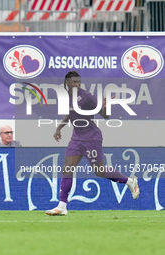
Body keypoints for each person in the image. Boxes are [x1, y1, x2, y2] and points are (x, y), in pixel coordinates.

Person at [45, 71, 140, 216]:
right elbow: (70, 113)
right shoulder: (69, 97)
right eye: (74, 82)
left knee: (99, 171)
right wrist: (59, 127)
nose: (77, 84)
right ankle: (62, 206)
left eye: (79, 81)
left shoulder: (87, 96)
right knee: (67, 168)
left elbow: (105, 115)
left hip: (91, 138)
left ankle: (129, 182)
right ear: (67, 84)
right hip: (76, 138)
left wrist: (106, 106)